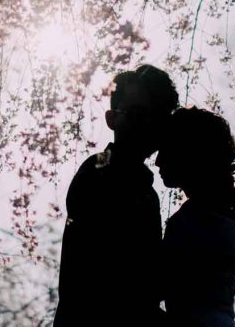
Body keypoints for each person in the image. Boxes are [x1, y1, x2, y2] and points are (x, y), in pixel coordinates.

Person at [53, 64, 180, 327]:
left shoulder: (144, 189)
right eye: (136, 114)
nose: (148, 124)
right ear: (111, 119)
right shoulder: (99, 170)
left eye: (158, 117)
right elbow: (123, 282)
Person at [156, 107, 235, 327]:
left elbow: (157, 286)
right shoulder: (217, 213)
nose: (158, 160)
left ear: (192, 153)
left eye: (167, 149)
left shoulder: (196, 218)